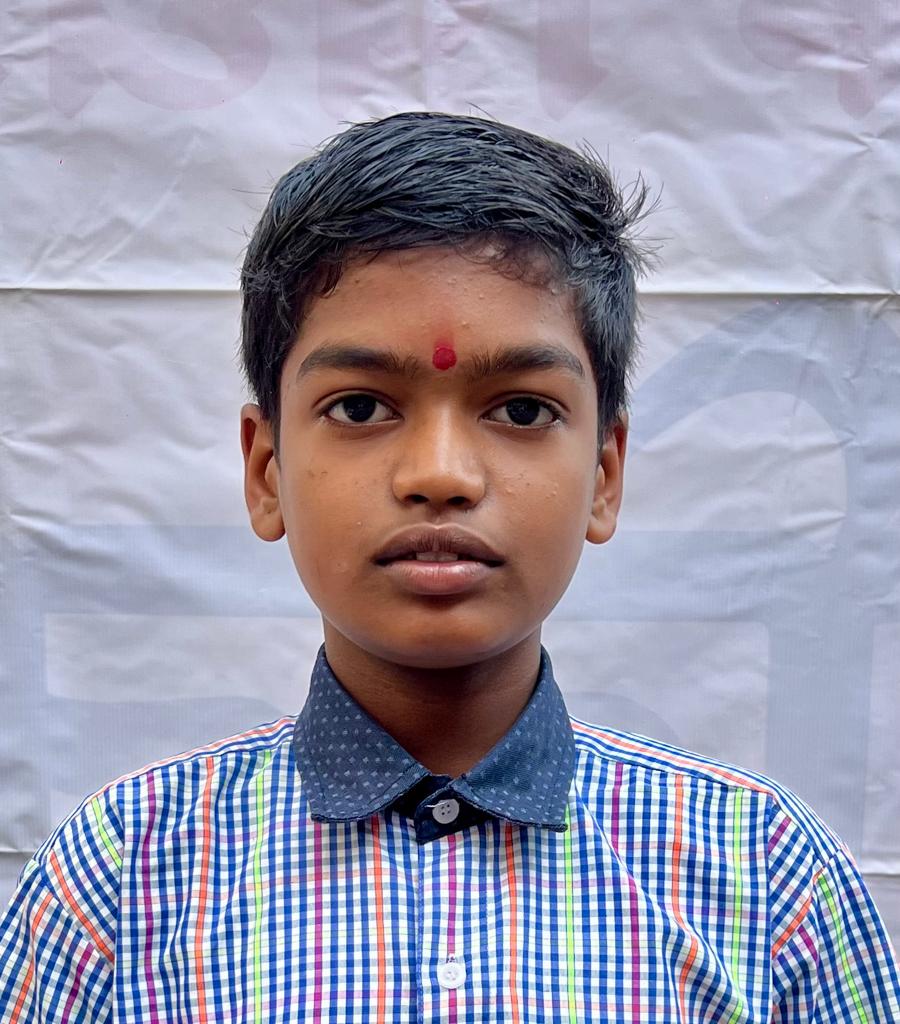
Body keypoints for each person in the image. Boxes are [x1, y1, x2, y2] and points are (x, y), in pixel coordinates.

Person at [1, 110, 897, 1023]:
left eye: (521, 411)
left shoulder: (766, 880)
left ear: (604, 474)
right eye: (359, 407)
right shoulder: (119, 884)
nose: (440, 474)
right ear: (266, 471)